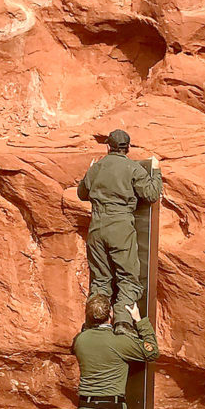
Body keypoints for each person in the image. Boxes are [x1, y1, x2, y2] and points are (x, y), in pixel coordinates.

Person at [77, 129, 162, 335]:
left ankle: (94, 323)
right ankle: (122, 323)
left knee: (100, 280)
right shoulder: (132, 168)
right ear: (128, 148)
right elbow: (151, 194)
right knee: (127, 278)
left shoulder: (96, 168)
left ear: (108, 147)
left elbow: (81, 194)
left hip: (96, 227)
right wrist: (157, 171)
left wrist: (92, 171)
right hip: (121, 227)